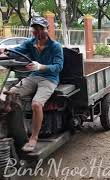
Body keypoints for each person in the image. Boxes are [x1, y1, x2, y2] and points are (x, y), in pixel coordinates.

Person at [5, 17, 64, 152]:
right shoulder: (30, 43)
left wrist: (41, 66)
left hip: (49, 79)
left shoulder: (56, 46)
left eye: (41, 29)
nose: (37, 32)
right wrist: (5, 52)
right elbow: (17, 51)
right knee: (10, 95)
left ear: (46, 29)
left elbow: (58, 67)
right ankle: (16, 130)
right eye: (35, 29)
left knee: (36, 104)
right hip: (33, 76)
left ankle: (33, 138)